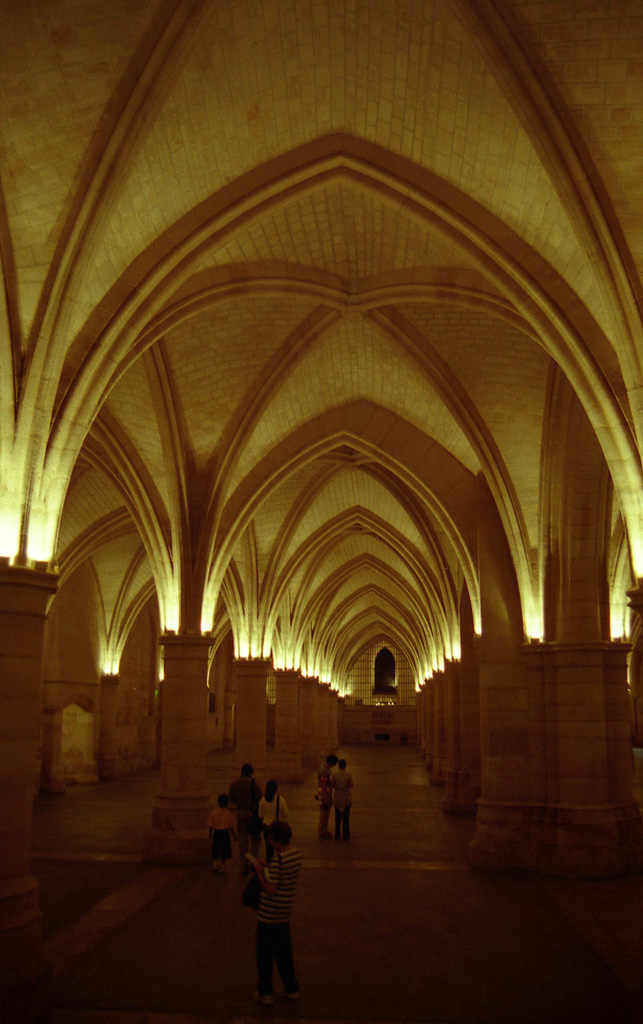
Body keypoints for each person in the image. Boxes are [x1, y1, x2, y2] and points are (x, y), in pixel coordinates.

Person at [252, 820, 302, 1004]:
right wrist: (268, 867)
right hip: (284, 914)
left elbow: (271, 890)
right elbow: (281, 876)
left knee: (264, 955)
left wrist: (259, 874)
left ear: (278, 841)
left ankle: (265, 991)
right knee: (284, 954)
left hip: (268, 915)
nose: (271, 843)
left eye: (272, 840)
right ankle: (292, 988)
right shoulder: (295, 855)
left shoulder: (279, 859)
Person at [229, 763, 263, 874]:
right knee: (255, 839)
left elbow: (231, 799)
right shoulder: (253, 782)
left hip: (240, 813)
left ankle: (243, 867)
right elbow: (260, 796)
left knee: (243, 842)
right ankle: (252, 863)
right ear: (250, 772)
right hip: (252, 813)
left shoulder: (234, 783)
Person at [258, 779, 289, 863]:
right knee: (279, 848)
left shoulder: (263, 800)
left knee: (269, 850)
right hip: (277, 827)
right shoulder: (280, 799)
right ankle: (279, 866)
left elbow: (260, 815)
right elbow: (286, 814)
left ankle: (270, 867)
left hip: (266, 827)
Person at [208, 793, 237, 873]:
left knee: (216, 849)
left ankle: (215, 864)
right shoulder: (228, 813)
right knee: (224, 850)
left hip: (217, 833)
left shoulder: (214, 812)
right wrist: (234, 835)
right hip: (225, 833)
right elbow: (230, 826)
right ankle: (222, 866)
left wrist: (210, 834)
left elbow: (210, 824)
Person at [316, 753, 338, 838]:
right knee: (324, 813)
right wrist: (326, 797)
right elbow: (323, 784)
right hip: (325, 793)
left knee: (325, 813)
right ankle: (322, 832)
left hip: (325, 792)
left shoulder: (324, 769)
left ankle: (324, 830)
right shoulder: (324, 771)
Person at [331, 757, 353, 840]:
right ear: (345, 766)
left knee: (338, 816)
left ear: (338, 765)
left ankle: (337, 833)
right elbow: (351, 785)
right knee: (346, 817)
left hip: (338, 796)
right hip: (346, 796)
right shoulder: (349, 774)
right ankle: (346, 834)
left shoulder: (335, 774)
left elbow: (332, 784)